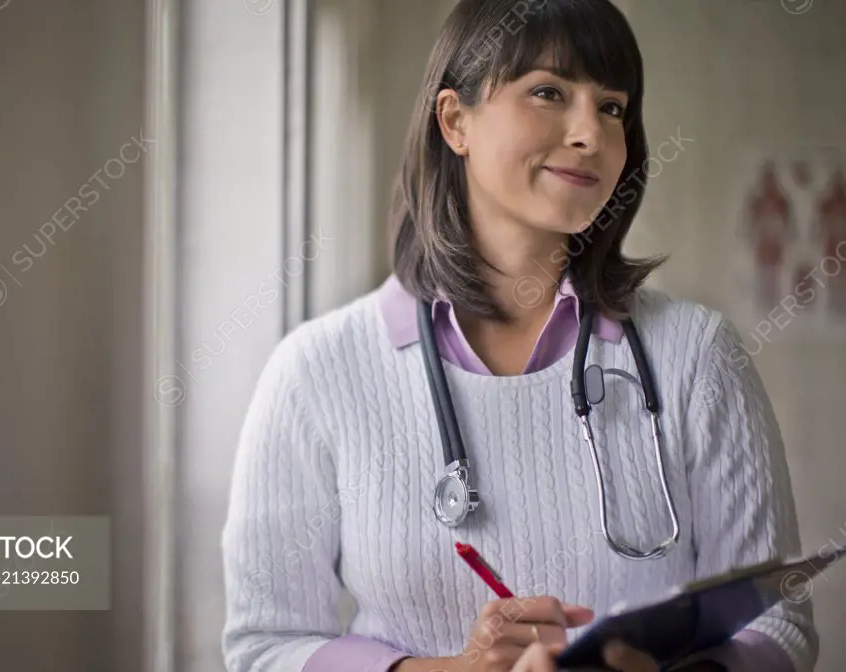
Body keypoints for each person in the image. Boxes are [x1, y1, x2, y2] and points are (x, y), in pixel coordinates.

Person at [221, 1, 817, 671]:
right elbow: (265, 647)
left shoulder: (699, 357)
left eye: (614, 107)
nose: (590, 132)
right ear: (455, 121)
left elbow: (780, 620)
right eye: (548, 92)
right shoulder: (315, 373)